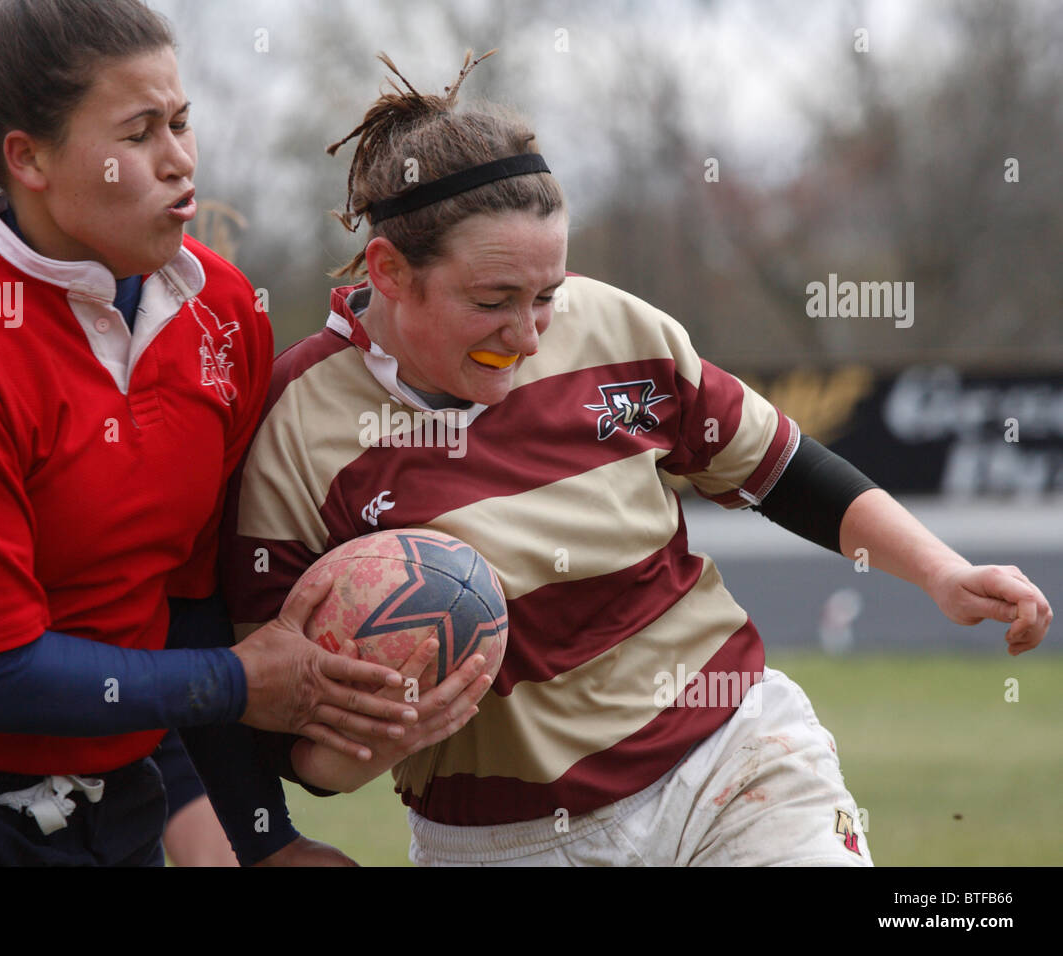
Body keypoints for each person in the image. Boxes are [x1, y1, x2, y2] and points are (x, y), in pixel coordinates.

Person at [220, 51, 1054, 866]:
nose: (531, 332)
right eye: (493, 301)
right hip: (500, 837)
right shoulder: (295, 428)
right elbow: (285, 727)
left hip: (734, 760)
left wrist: (942, 572)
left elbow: (780, 466)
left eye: (547, 294)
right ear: (390, 270)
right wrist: (386, 728)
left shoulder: (617, 328)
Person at [0, 0, 440, 868]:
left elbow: (185, 609)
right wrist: (242, 684)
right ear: (29, 158)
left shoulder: (226, 316)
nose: (181, 160)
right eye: (140, 132)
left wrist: (264, 839)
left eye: (183, 121)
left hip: (106, 785)